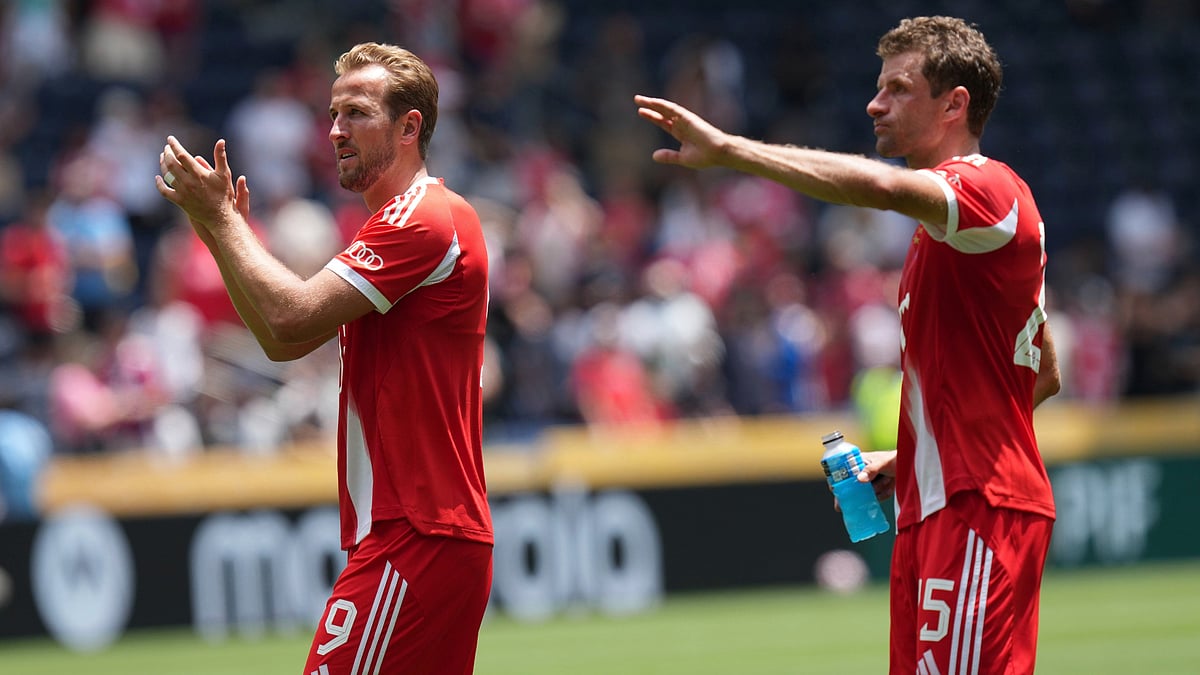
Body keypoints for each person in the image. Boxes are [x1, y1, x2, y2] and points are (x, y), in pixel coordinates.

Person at [637, 15, 1060, 675]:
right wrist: (916, 454)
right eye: (877, 86)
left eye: (897, 88)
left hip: (979, 506)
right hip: (943, 500)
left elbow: (883, 188)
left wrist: (731, 150)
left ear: (955, 104)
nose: (874, 103)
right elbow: (1043, 372)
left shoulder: (986, 188)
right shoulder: (947, 236)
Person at [157, 42, 492, 674]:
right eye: (333, 114)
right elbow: (283, 341)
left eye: (357, 113)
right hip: (422, 535)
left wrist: (225, 225)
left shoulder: (424, 218)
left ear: (409, 127)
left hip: (414, 534)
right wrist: (219, 231)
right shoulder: (399, 223)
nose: (335, 130)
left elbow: (291, 316)